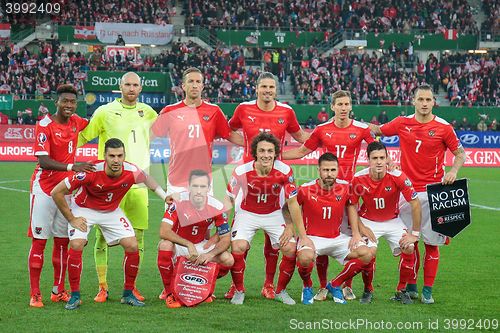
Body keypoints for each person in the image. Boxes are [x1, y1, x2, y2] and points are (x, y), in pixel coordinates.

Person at [370, 84, 465, 303]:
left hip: (434, 193)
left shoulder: (444, 127)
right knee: (408, 243)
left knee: (431, 243)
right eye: (420, 99)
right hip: (406, 192)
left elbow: (460, 153)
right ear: (413, 101)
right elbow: (376, 131)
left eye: (428, 100)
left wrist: (453, 170)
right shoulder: (403, 122)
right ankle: (411, 287)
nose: (424, 104)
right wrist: (352, 124)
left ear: (433, 102)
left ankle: (427, 291)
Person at [50, 138, 169, 310]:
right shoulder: (90, 171)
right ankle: (75, 296)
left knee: (132, 245)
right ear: (104, 156)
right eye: (112, 156)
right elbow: (56, 192)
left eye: (120, 155)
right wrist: (71, 219)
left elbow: (148, 180)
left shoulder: (131, 170)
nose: (116, 160)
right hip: (84, 209)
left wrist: (165, 197)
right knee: (77, 244)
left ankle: (128, 294)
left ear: (124, 156)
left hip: (111, 211)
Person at [282, 90, 374, 301]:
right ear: (332, 106)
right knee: (323, 238)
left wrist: (389, 163)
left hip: (348, 194)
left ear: (351, 106)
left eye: (347, 104)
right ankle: (323, 286)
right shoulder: (322, 129)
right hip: (324, 190)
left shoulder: (361, 129)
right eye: (339, 104)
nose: (343, 108)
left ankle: (346, 285)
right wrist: (276, 155)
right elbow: (302, 151)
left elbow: (375, 149)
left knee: (353, 240)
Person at [225, 71, 309, 300]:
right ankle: (236, 285)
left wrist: (323, 140)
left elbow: (302, 137)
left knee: (276, 242)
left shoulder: (286, 111)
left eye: (271, 87)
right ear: (256, 88)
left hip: (276, 181)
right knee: (241, 238)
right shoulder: (243, 108)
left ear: (276, 90)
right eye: (264, 87)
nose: (268, 91)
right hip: (247, 180)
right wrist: (245, 146)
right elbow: (228, 129)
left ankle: (269, 285)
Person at [78, 72, 158, 303]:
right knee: (101, 238)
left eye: (135, 85)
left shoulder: (149, 113)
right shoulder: (104, 112)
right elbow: (83, 136)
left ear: (140, 88)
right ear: (120, 86)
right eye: (127, 84)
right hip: (107, 185)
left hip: (136, 184)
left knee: (138, 238)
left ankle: (130, 288)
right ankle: (102, 287)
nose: (131, 88)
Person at [28, 84, 95, 308]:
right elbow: (43, 161)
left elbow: (98, 123)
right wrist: (72, 167)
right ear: (57, 102)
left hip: (66, 190)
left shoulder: (77, 121)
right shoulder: (44, 125)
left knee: (62, 242)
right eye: (65, 101)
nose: (68, 105)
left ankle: (58, 290)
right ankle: (35, 293)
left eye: (72, 102)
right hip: (45, 189)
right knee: (39, 242)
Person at [290, 152, 374, 305]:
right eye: (326, 170)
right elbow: (289, 207)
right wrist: (301, 235)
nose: (329, 174)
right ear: (319, 170)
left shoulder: (345, 187)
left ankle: (334, 284)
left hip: (337, 237)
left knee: (366, 254)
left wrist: (356, 233)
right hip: (313, 238)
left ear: (338, 170)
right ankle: (307, 286)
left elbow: (351, 205)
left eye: (333, 170)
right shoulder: (305, 189)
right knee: (304, 258)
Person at [226, 133, 299, 305]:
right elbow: (228, 199)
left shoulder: (285, 170)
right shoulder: (241, 171)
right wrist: (222, 228)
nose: (266, 155)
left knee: (290, 248)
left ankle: (280, 290)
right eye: (262, 151)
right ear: (255, 153)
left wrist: (290, 226)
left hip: (274, 213)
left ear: (275, 153)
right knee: (238, 246)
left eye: (270, 151)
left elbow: (292, 202)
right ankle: (239, 290)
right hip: (247, 213)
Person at [350, 142, 421, 304]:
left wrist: (414, 234)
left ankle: (401, 290)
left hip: (393, 221)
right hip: (368, 221)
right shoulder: (359, 178)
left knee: (409, 247)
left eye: (382, 157)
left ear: (387, 158)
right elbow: (352, 206)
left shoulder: (398, 176)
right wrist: (358, 230)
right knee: (368, 254)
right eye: (375, 158)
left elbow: (415, 203)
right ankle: (368, 290)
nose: (379, 161)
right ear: (367, 159)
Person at [153, 67, 243, 194]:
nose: (194, 85)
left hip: (203, 181)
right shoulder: (169, 111)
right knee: (173, 214)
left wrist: (255, 143)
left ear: (202, 86)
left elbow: (230, 135)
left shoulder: (214, 111)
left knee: (204, 214)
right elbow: (152, 134)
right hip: (177, 181)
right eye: (190, 82)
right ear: (183, 86)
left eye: (198, 82)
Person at [157, 169, 234, 308]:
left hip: (200, 245)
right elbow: (163, 231)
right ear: (189, 187)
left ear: (208, 188)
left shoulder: (217, 207)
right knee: (164, 245)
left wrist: (210, 254)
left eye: (202, 186)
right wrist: (188, 244)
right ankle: (169, 292)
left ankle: (203, 286)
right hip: (179, 245)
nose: (198, 191)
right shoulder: (178, 201)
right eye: (195, 186)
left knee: (228, 259)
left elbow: (226, 238)